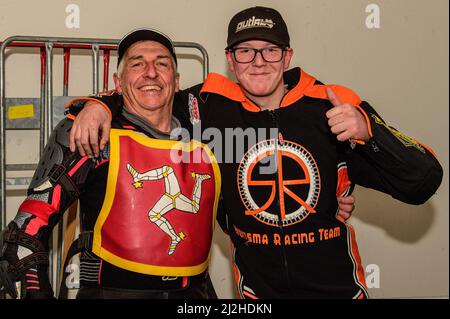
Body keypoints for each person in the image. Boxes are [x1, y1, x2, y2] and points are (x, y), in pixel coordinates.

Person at [61, 6, 443, 299]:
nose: (258, 62)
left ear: (288, 55)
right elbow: (145, 91)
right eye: (245, 51)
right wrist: (98, 104)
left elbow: (422, 182)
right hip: (256, 297)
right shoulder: (205, 107)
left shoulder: (330, 105)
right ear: (230, 59)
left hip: (338, 291)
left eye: (270, 51)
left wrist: (369, 131)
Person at [0, 29, 222, 299]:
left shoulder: (206, 134)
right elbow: (26, 231)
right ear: (118, 82)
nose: (151, 72)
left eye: (162, 63)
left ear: (176, 82)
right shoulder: (93, 133)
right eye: (137, 64)